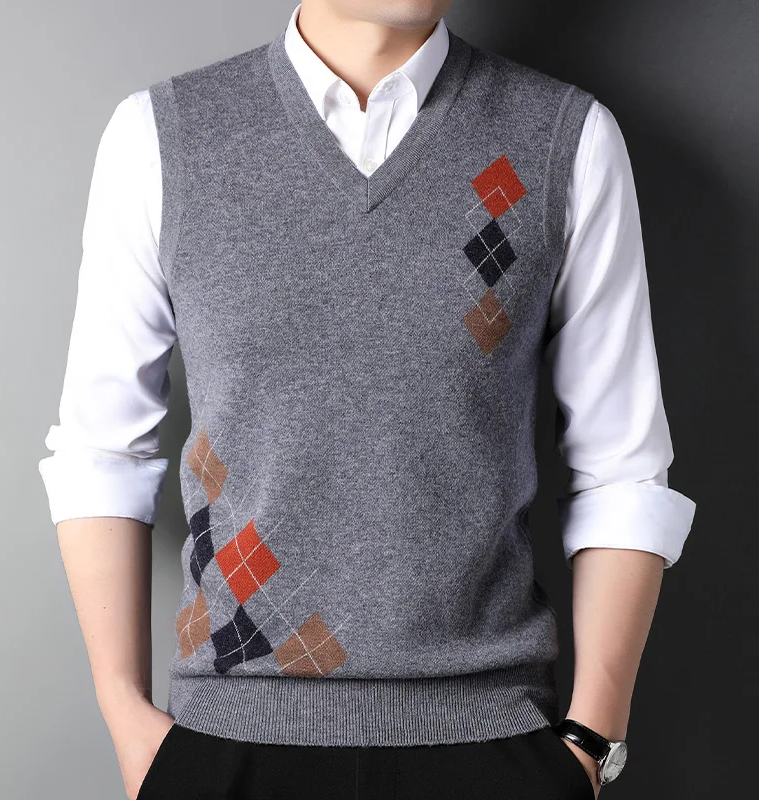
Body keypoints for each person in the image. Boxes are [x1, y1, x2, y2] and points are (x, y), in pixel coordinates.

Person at [38, 1, 697, 798]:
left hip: (492, 744)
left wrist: (590, 742)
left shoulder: (565, 137)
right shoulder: (164, 136)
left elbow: (623, 469)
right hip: (228, 744)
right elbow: (101, 451)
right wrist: (127, 718)